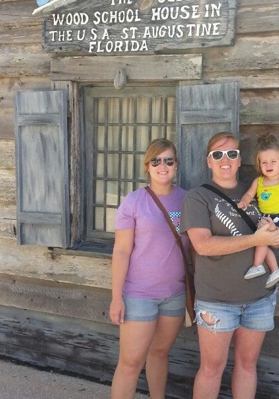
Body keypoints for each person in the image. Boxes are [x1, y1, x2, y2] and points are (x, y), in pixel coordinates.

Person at [180, 132, 279, 399]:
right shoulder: (198, 197)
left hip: (259, 298)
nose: (225, 160)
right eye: (218, 154)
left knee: (248, 365)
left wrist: (274, 235)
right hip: (216, 300)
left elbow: (278, 242)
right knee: (211, 369)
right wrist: (255, 239)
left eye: (231, 154)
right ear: (209, 161)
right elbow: (202, 245)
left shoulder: (258, 191)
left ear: (240, 161)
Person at [109, 138, 189, 399]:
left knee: (160, 353)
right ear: (147, 166)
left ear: (176, 165)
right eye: (156, 160)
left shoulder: (187, 200)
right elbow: (121, 251)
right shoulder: (133, 202)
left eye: (168, 160)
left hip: (175, 295)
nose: (162, 166)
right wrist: (116, 297)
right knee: (131, 362)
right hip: (138, 296)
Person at [238, 134, 279, 288]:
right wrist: (244, 201)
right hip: (266, 218)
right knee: (262, 241)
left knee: (261, 238)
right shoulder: (258, 182)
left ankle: (257, 265)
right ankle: (274, 270)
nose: (268, 165)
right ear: (259, 165)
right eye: (264, 162)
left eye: (273, 161)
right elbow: (249, 194)